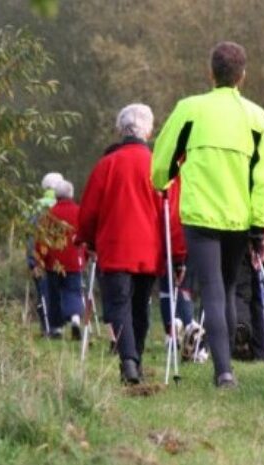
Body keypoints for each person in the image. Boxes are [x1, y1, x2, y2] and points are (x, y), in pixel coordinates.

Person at [151, 41, 264, 388]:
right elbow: (263, 179)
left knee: (212, 289)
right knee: (230, 285)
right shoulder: (257, 117)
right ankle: (226, 367)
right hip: (239, 217)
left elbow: (161, 162)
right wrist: (258, 229)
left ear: (211, 73)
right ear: (242, 77)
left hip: (201, 217)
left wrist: (164, 180)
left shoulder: (189, 110)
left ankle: (223, 371)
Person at [79, 103, 185, 384]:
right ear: (149, 131)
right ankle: (133, 357)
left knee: (118, 305)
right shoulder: (161, 167)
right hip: (149, 249)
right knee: (140, 305)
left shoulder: (106, 165)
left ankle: (129, 360)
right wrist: (179, 254)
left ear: (120, 129)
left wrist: (87, 240)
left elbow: (89, 210)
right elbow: (173, 215)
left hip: (114, 248)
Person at [34, 179, 85, 340]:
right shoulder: (80, 212)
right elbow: (85, 235)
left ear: (57, 195)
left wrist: (39, 259)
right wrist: (85, 256)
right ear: (71, 194)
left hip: (53, 262)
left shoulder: (50, 214)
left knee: (54, 295)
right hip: (74, 260)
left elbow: (41, 239)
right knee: (73, 291)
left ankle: (57, 328)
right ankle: (76, 318)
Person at [27, 172, 64, 336]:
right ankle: (58, 327)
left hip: (39, 257)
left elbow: (29, 235)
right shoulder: (62, 205)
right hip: (59, 259)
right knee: (58, 292)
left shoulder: (35, 207)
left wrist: (31, 259)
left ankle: (45, 326)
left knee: (42, 292)